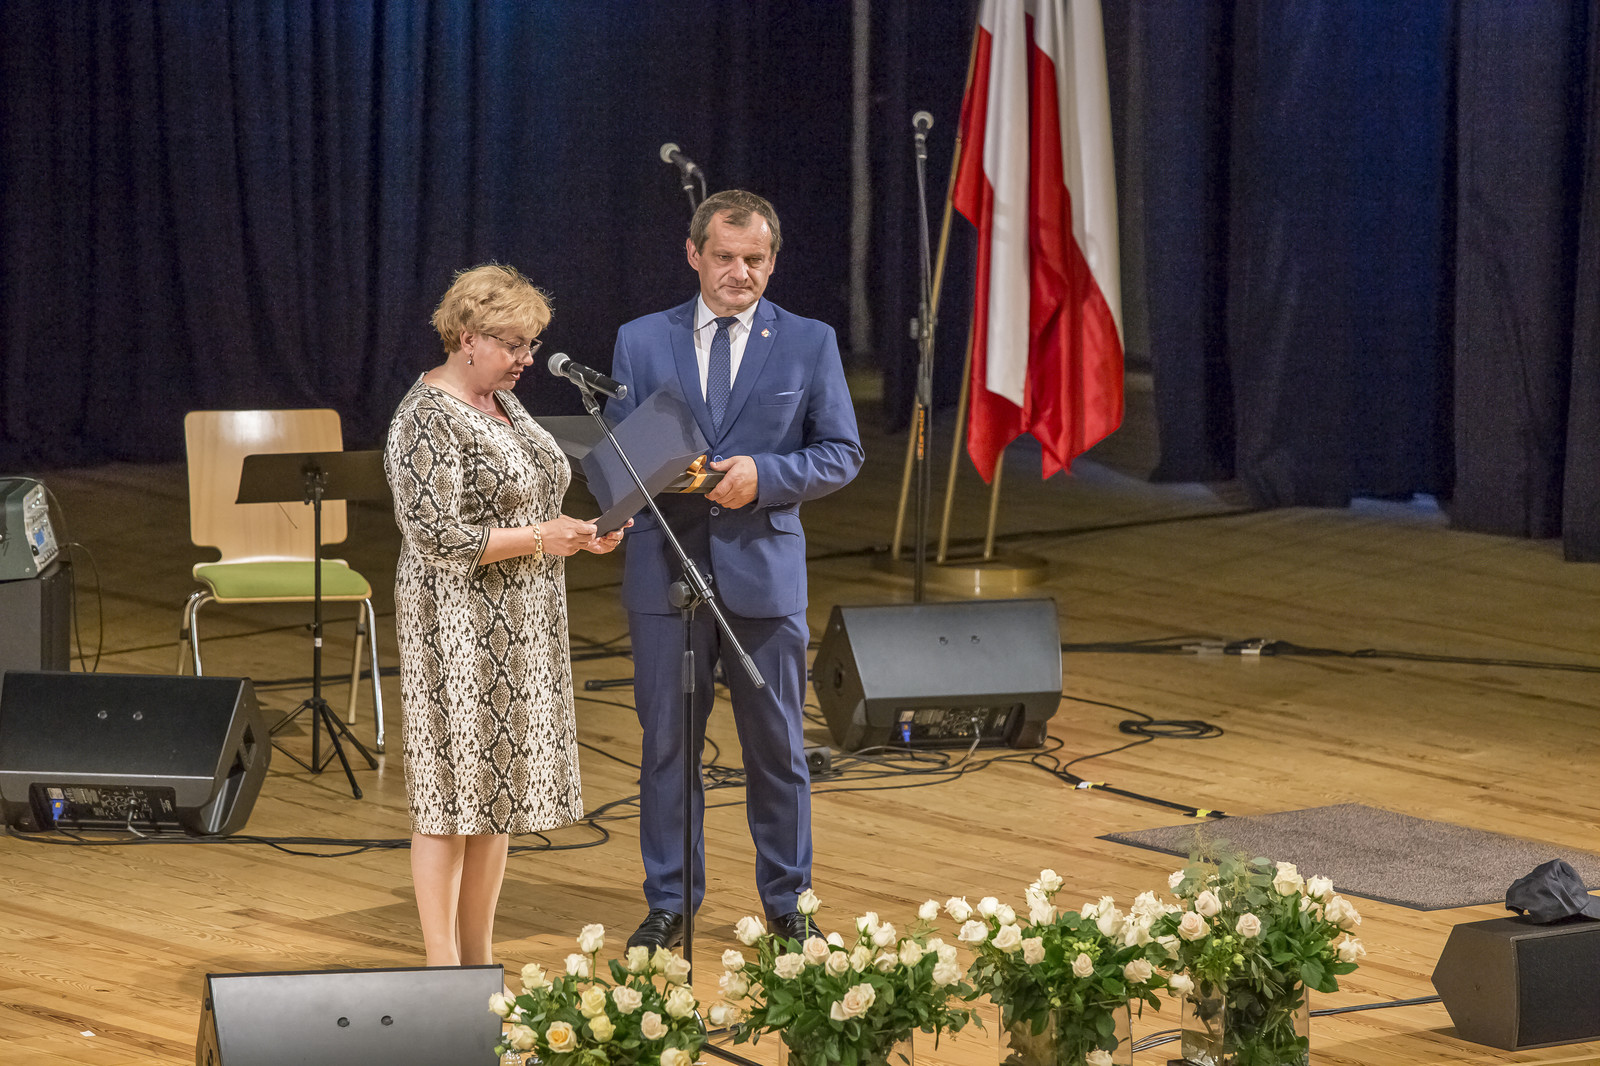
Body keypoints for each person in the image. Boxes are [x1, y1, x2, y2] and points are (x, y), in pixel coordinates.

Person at [607, 190, 864, 949]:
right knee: (667, 750)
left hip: (764, 575)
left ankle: (789, 904)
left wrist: (767, 475)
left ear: (772, 261)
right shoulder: (639, 340)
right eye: (724, 257)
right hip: (666, 571)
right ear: (694, 255)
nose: (739, 273)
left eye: (755, 259)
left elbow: (842, 452)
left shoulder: (809, 341)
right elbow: (618, 452)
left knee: (778, 750)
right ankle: (670, 902)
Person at [384, 263, 624, 967]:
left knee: (496, 799)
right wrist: (541, 537)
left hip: (524, 622)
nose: (527, 359)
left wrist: (578, 532)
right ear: (467, 338)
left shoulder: (503, 403)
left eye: (530, 344)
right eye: (514, 344)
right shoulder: (425, 417)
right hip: (455, 627)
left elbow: (528, 499)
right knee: (450, 797)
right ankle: (442, 968)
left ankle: (479, 962)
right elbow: (435, 536)